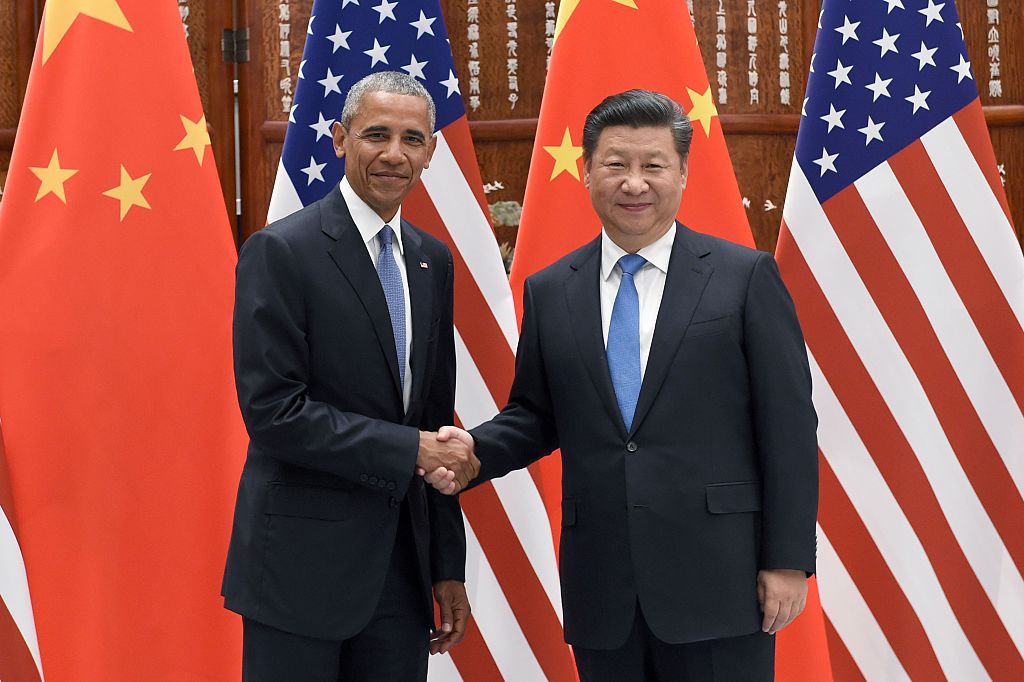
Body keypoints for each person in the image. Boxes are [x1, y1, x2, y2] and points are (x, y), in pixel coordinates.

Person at [429, 89, 818, 680]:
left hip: (721, 580)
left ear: (682, 173)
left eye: (653, 165)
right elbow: (537, 414)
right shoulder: (552, 288)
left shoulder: (744, 279)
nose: (634, 183)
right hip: (604, 586)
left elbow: (789, 429)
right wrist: (475, 451)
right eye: (615, 164)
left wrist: (788, 561)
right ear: (586, 172)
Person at [222, 71, 479, 681]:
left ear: (431, 151)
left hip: (401, 573)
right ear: (339, 139)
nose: (395, 154)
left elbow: (434, 421)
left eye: (413, 139)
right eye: (376, 134)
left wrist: (447, 564)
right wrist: (409, 448)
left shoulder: (432, 260)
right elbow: (273, 414)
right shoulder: (281, 251)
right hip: (299, 570)